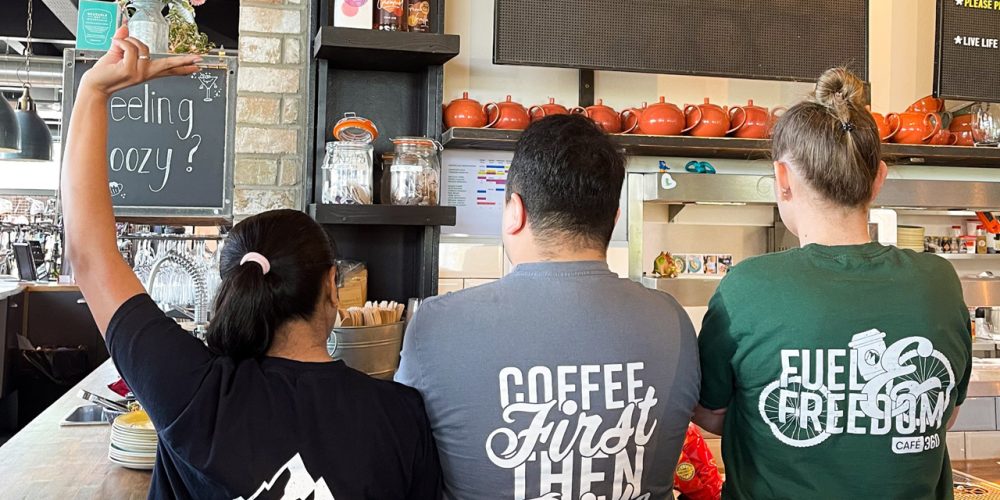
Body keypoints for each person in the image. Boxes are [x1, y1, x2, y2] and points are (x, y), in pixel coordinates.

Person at [61, 28, 441, 499]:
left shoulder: (194, 391)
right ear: (332, 286)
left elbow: (89, 256)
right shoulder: (400, 416)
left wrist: (92, 92)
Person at [694, 68, 972, 499]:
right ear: (878, 179)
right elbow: (945, 411)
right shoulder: (939, 282)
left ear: (783, 180)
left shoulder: (746, 288)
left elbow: (711, 412)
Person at [396, 113, 700, 499]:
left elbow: (405, 458)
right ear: (613, 219)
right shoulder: (671, 321)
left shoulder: (434, 326)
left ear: (514, 212)